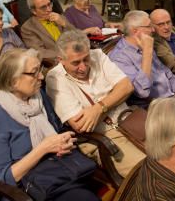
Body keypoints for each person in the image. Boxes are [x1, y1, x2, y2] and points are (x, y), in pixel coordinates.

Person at [0, 48, 106, 201]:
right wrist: (43, 149)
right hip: (20, 196)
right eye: (34, 73)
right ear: (13, 79)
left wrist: (62, 142)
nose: (41, 77)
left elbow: (56, 131)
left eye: (40, 70)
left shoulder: (37, 97)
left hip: (53, 174)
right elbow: (1, 179)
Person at [46, 30, 145, 177]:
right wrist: (115, 97)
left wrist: (98, 109)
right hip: (103, 138)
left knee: (174, 152)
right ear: (61, 60)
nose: (83, 67)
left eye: (86, 59)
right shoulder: (55, 77)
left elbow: (127, 87)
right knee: (148, 170)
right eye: (76, 63)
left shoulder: (97, 55)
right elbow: (81, 125)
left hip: (129, 120)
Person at [109, 11, 175, 107]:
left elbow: (166, 72)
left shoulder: (145, 43)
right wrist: (147, 53)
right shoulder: (119, 57)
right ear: (135, 31)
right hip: (155, 107)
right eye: (149, 26)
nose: (153, 30)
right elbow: (142, 92)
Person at [20, 0, 73, 65]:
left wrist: (64, 24)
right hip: (57, 62)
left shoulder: (59, 17)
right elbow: (39, 51)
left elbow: (78, 36)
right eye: (43, 7)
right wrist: (66, 55)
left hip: (75, 53)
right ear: (34, 11)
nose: (49, 9)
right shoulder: (28, 28)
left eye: (49, 4)